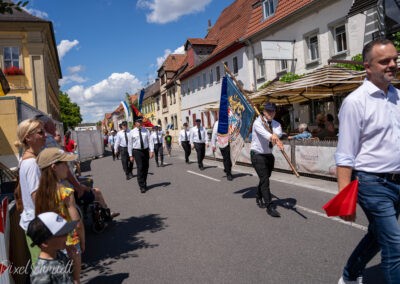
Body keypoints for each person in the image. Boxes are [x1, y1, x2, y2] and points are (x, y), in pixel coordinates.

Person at [335, 38, 400, 284]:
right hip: (372, 184)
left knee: (377, 235)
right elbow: (345, 153)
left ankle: (350, 275)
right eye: (384, 61)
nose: (392, 64)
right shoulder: (355, 102)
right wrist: (344, 199)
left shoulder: (398, 97)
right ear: (368, 66)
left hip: (397, 181)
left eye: (395, 59)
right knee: (395, 246)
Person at [35, 147, 84, 284]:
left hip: (51, 243)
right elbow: (77, 223)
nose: (68, 168)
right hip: (69, 241)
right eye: (64, 164)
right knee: (74, 279)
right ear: (54, 167)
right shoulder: (65, 192)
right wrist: (83, 239)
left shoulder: (40, 194)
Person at [14, 118, 46, 266]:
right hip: (39, 226)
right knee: (45, 271)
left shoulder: (25, 159)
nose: (44, 135)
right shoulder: (32, 163)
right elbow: (37, 199)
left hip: (32, 222)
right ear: (28, 137)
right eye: (40, 132)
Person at [250, 102, 283, 218]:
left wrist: (275, 136)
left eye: (272, 111)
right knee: (265, 179)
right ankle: (269, 206)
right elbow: (265, 134)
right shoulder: (257, 123)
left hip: (268, 154)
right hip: (257, 154)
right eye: (268, 111)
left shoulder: (276, 124)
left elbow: (278, 133)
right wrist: (272, 136)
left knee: (265, 177)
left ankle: (258, 195)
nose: (270, 113)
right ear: (264, 112)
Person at [27, 212, 76, 284]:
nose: (67, 235)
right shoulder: (40, 274)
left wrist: (72, 258)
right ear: (45, 242)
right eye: (63, 234)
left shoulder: (59, 254)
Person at [128, 116, 152, 193]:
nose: (140, 123)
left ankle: (144, 182)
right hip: (137, 151)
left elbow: (150, 141)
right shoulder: (132, 132)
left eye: (141, 122)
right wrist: (131, 155)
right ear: (135, 123)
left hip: (145, 151)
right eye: (139, 122)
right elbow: (130, 144)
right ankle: (141, 186)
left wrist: (151, 151)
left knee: (146, 167)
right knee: (140, 167)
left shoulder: (146, 131)